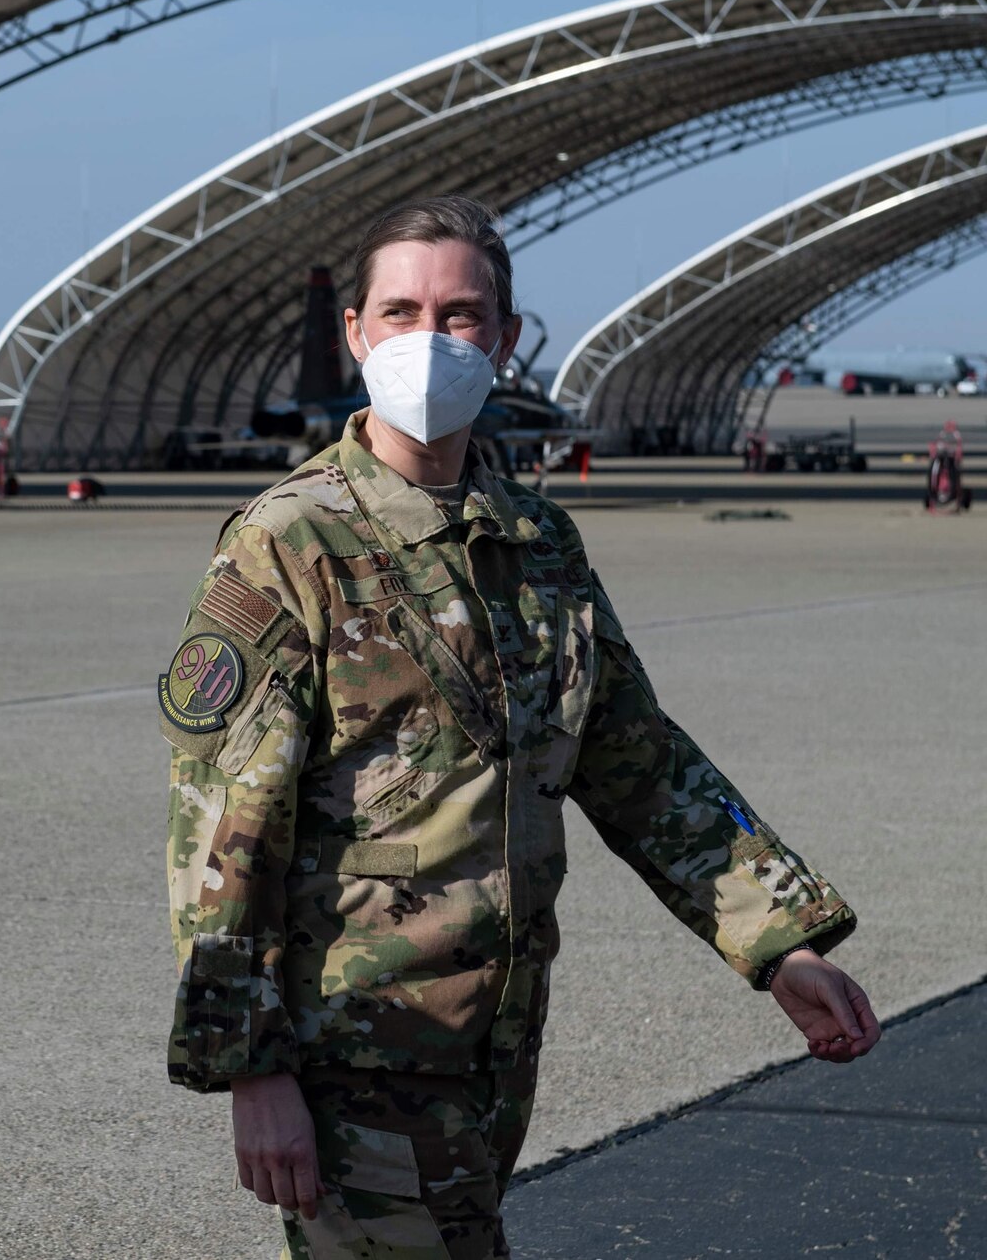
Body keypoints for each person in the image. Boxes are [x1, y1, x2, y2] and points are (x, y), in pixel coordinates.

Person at [160, 195, 878, 1259]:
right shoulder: (289, 542)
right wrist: (250, 1067)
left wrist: (778, 946)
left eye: (459, 313)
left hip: (495, 1034)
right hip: (354, 1048)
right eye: (398, 310)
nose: (428, 336)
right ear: (354, 332)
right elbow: (223, 828)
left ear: (500, 337)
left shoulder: (534, 538)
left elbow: (637, 760)